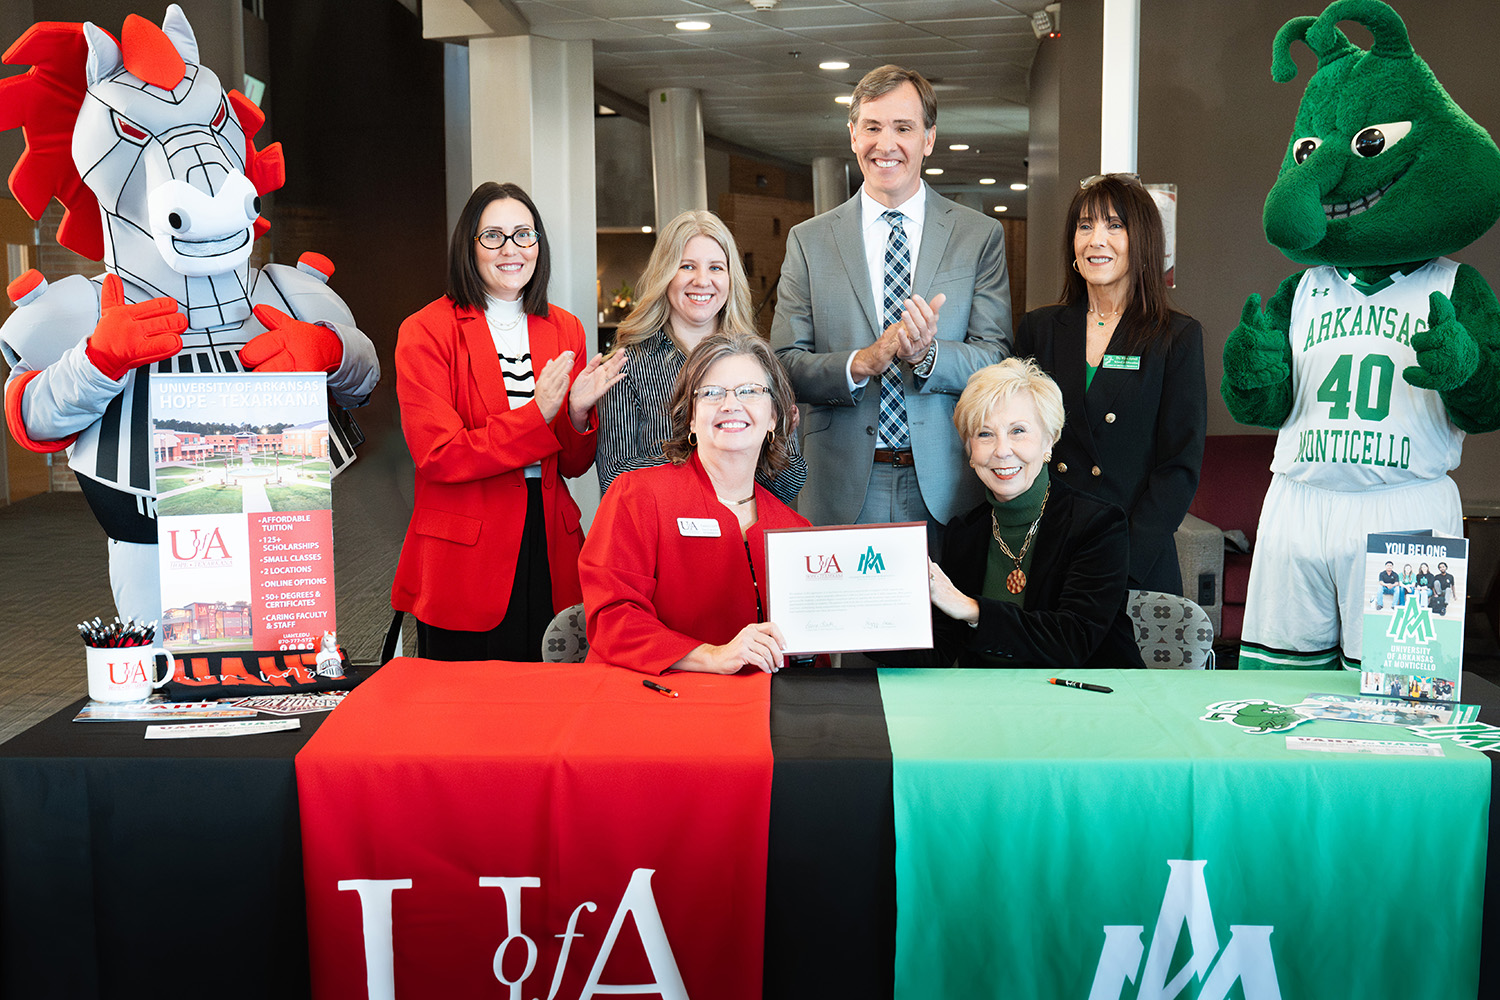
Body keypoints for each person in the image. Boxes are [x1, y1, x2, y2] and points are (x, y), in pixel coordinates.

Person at [771, 64, 1011, 537]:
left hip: (947, 486)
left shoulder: (977, 236)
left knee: (945, 613)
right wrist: (860, 363)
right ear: (853, 135)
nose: (886, 144)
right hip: (839, 487)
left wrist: (930, 355)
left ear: (929, 139)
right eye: (872, 127)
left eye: (903, 127)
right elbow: (783, 364)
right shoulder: (809, 240)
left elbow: (996, 357)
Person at [391, 182, 626, 661]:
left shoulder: (564, 328)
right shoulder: (426, 331)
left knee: (550, 702)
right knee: (467, 713)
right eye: (493, 236)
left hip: (549, 544)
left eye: (523, 234)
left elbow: (573, 464)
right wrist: (535, 416)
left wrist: (578, 413)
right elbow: (438, 455)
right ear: (469, 246)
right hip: (464, 552)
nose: (511, 249)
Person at [1014, 174, 1206, 594]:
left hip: (1134, 561)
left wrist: (1124, 559)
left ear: (1143, 242)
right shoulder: (1040, 329)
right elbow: (1015, 441)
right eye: (1085, 226)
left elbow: (1178, 467)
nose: (1096, 239)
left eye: (1114, 226)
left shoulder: (1175, 337)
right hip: (1048, 550)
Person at [580, 331, 809, 675]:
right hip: (650, 702)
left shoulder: (795, 530)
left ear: (775, 417)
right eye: (712, 393)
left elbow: (809, 652)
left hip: (760, 711)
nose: (731, 405)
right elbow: (613, 618)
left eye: (749, 391)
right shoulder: (637, 495)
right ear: (690, 417)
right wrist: (712, 656)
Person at [922, 358, 1142, 669]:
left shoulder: (1099, 525)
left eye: (1018, 431)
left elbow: (1072, 640)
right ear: (970, 452)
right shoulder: (964, 532)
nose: (1001, 450)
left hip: (1090, 699)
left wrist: (973, 610)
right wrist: (868, 623)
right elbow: (939, 650)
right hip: (991, 705)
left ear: (1048, 441)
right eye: (985, 434)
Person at [596, 210, 806, 503]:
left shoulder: (760, 363)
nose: (702, 281)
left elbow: (788, 485)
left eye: (716, 268)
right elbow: (615, 480)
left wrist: (777, 443)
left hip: (742, 540)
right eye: (687, 266)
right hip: (666, 540)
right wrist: (710, 453)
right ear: (664, 274)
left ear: (731, 278)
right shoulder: (626, 366)